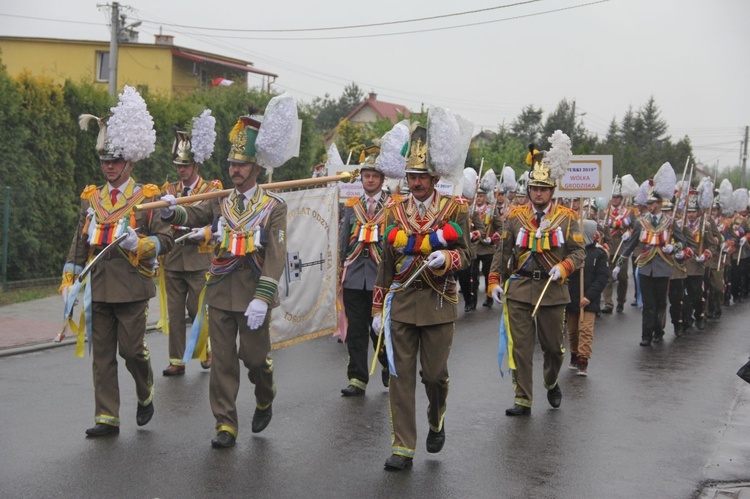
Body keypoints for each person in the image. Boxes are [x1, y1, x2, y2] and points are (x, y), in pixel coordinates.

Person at [160, 97, 297, 448]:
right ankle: (225, 424)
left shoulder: (273, 207)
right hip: (220, 289)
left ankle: (265, 393)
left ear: (255, 168)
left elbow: (277, 253)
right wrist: (173, 213)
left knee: (254, 360)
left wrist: (263, 297)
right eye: (232, 163)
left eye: (242, 164)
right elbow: (196, 215)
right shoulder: (220, 198)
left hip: (253, 293)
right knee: (221, 362)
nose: (235, 170)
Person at [59, 86, 173, 437]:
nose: (108, 167)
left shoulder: (147, 198)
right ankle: (107, 416)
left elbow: (166, 240)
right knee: (102, 355)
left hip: (133, 287)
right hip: (99, 288)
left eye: (115, 161)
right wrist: (68, 281)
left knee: (131, 352)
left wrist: (139, 242)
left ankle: (145, 386)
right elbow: (80, 243)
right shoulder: (91, 199)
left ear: (130, 162)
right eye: (105, 161)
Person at [373, 121, 471, 471]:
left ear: (434, 178)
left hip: (439, 303)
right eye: (412, 175)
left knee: (433, 376)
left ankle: (436, 415)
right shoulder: (393, 211)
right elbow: (386, 261)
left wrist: (448, 257)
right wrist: (378, 305)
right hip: (401, 302)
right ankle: (402, 446)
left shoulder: (454, 209)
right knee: (400, 376)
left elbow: (468, 253)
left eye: (423, 176)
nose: (416, 182)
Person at [488, 136, 586, 416]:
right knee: (520, 347)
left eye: (543, 189)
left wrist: (564, 266)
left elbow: (580, 253)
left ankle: (551, 379)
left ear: (552, 190)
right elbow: (502, 252)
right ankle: (523, 398)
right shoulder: (515, 216)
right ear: (528, 189)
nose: (538, 194)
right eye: (534, 188)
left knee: (553, 348)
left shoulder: (567, 218)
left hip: (553, 292)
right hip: (519, 289)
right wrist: (494, 280)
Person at [161, 113, 221, 376]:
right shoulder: (169, 189)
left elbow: (219, 221)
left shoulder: (211, 188)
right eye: (178, 166)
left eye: (185, 166)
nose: (181, 171)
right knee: (175, 313)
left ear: (196, 166)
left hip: (198, 259)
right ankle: (177, 359)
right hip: (174, 259)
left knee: (197, 310)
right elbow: (161, 223)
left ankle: (206, 351)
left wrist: (205, 232)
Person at [339, 145, 390, 396]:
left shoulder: (393, 205)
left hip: (381, 279)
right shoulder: (351, 206)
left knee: (378, 329)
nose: (370, 180)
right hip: (355, 276)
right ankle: (357, 378)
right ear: (361, 178)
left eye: (375, 176)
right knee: (356, 329)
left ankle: (387, 363)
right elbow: (342, 240)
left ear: (382, 179)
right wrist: (340, 271)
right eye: (366, 175)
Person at [615, 168, 686, 346]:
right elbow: (631, 244)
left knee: (661, 302)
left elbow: (683, 241)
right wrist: (619, 263)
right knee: (648, 303)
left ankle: (658, 330)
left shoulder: (670, 223)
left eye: (653, 203)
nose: (649, 206)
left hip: (663, 266)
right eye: (648, 203)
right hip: (645, 266)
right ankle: (646, 335)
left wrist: (674, 247)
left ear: (660, 203)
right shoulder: (641, 222)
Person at [566, 220, 609, 376]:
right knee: (572, 330)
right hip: (572, 296)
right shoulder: (573, 252)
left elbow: (602, 277)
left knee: (585, 330)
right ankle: (574, 354)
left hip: (588, 299)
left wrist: (589, 297)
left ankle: (583, 360)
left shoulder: (599, 254)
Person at [680, 191, 719, 331]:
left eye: (693, 211)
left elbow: (712, 245)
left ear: (698, 212)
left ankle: (699, 315)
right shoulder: (679, 225)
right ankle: (685, 318)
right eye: (689, 211)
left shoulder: (705, 226)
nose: (691, 214)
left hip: (697, 266)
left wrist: (706, 255)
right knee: (682, 296)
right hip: (682, 265)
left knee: (696, 295)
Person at [601, 186, 634, 313]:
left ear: (621, 198)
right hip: (608, 247)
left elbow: (635, 227)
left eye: (617, 197)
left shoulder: (628, 212)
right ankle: (608, 303)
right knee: (607, 276)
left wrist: (629, 233)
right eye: (613, 197)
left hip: (622, 247)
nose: (615, 199)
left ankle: (621, 300)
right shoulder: (604, 212)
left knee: (622, 277)